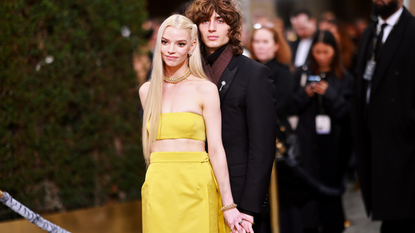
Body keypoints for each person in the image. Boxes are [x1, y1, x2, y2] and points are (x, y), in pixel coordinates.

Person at [139, 14, 249, 233]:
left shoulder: (205, 90)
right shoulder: (147, 91)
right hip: (158, 188)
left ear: (192, 46)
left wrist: (228, 204)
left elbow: (216, 150)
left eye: (180, 43)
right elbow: (151, 149)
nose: (171, 50)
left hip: (196, 186)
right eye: (165, 42)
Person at [185, 0, 278, 231]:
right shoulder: (188, 75)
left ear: (232, 27)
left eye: (220, 20)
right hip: (196, 191)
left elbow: (263, 148)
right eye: (204, 21)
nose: (212, 28)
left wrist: (249, 209)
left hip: (241, 200)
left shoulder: (254, 74)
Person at [352, 0, 415, 232]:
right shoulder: (370, 32)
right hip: (373, 133)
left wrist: (407, 121)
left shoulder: (411, 30)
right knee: (387, 206)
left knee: (403, 209)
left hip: (403, 138)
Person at [290, 30, 353, 233]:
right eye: (317, 52)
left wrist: (330, 94)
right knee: (308, 194)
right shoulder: (301, 73)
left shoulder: (344, 77)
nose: (322, 56)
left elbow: (348, 113)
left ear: (335, 51)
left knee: (331, 195)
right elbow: (288, 107)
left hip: (334, 145)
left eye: (326, 52)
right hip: (307, 142)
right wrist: (305, 94)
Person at [249, 22, 293, 135]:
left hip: (274, 131)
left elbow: (279, 106)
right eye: (256, 42)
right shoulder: (248, 69)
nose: (260, 46)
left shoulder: (283, 71)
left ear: (276, 45)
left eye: (265, 42)